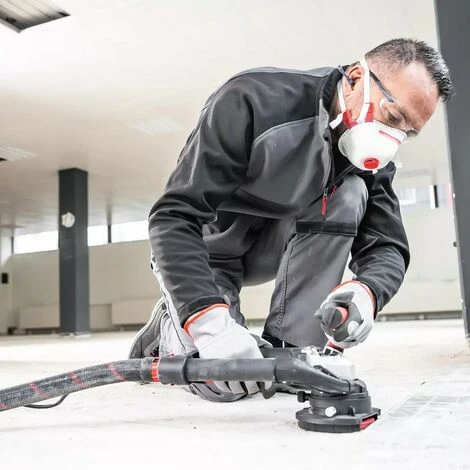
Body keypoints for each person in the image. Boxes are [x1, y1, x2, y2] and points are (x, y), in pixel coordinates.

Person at [129, 38, 453, 402]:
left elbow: (388, 244)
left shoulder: (370, 162)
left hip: (267, 250)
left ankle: (293, 346)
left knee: (349, 192)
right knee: (226, 384)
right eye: (392, 117)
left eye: (407, 133)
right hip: (207, 254)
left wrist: (368, 292)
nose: (391, 139)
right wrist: (208, 323)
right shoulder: (252, 100)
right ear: (355, 78)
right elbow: (173, 217)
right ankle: (169, 327)